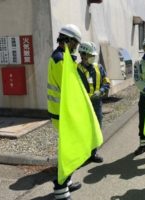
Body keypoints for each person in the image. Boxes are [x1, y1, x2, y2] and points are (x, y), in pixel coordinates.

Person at [47, 24, 82, 200]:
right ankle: (60, 189)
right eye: (74, 43)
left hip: (60, 111)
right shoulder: (60, 60)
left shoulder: (60, 57)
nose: (75, 47)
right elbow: (70, 89)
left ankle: (66, 182)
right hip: (62, 113)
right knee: (66, 151)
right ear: (67, 40)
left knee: (68, 148)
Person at [77, 41, 110, 163]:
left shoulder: (98, 67)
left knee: (96, 128)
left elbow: (106, 82)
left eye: (93, 55)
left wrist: (101, 91)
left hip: (96, 103)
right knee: (83, 129)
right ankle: (83, 154)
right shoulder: (76, 70)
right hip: (82, 105)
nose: (93, 57)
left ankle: (93, 153)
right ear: (83, 55)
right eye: (90, 55)